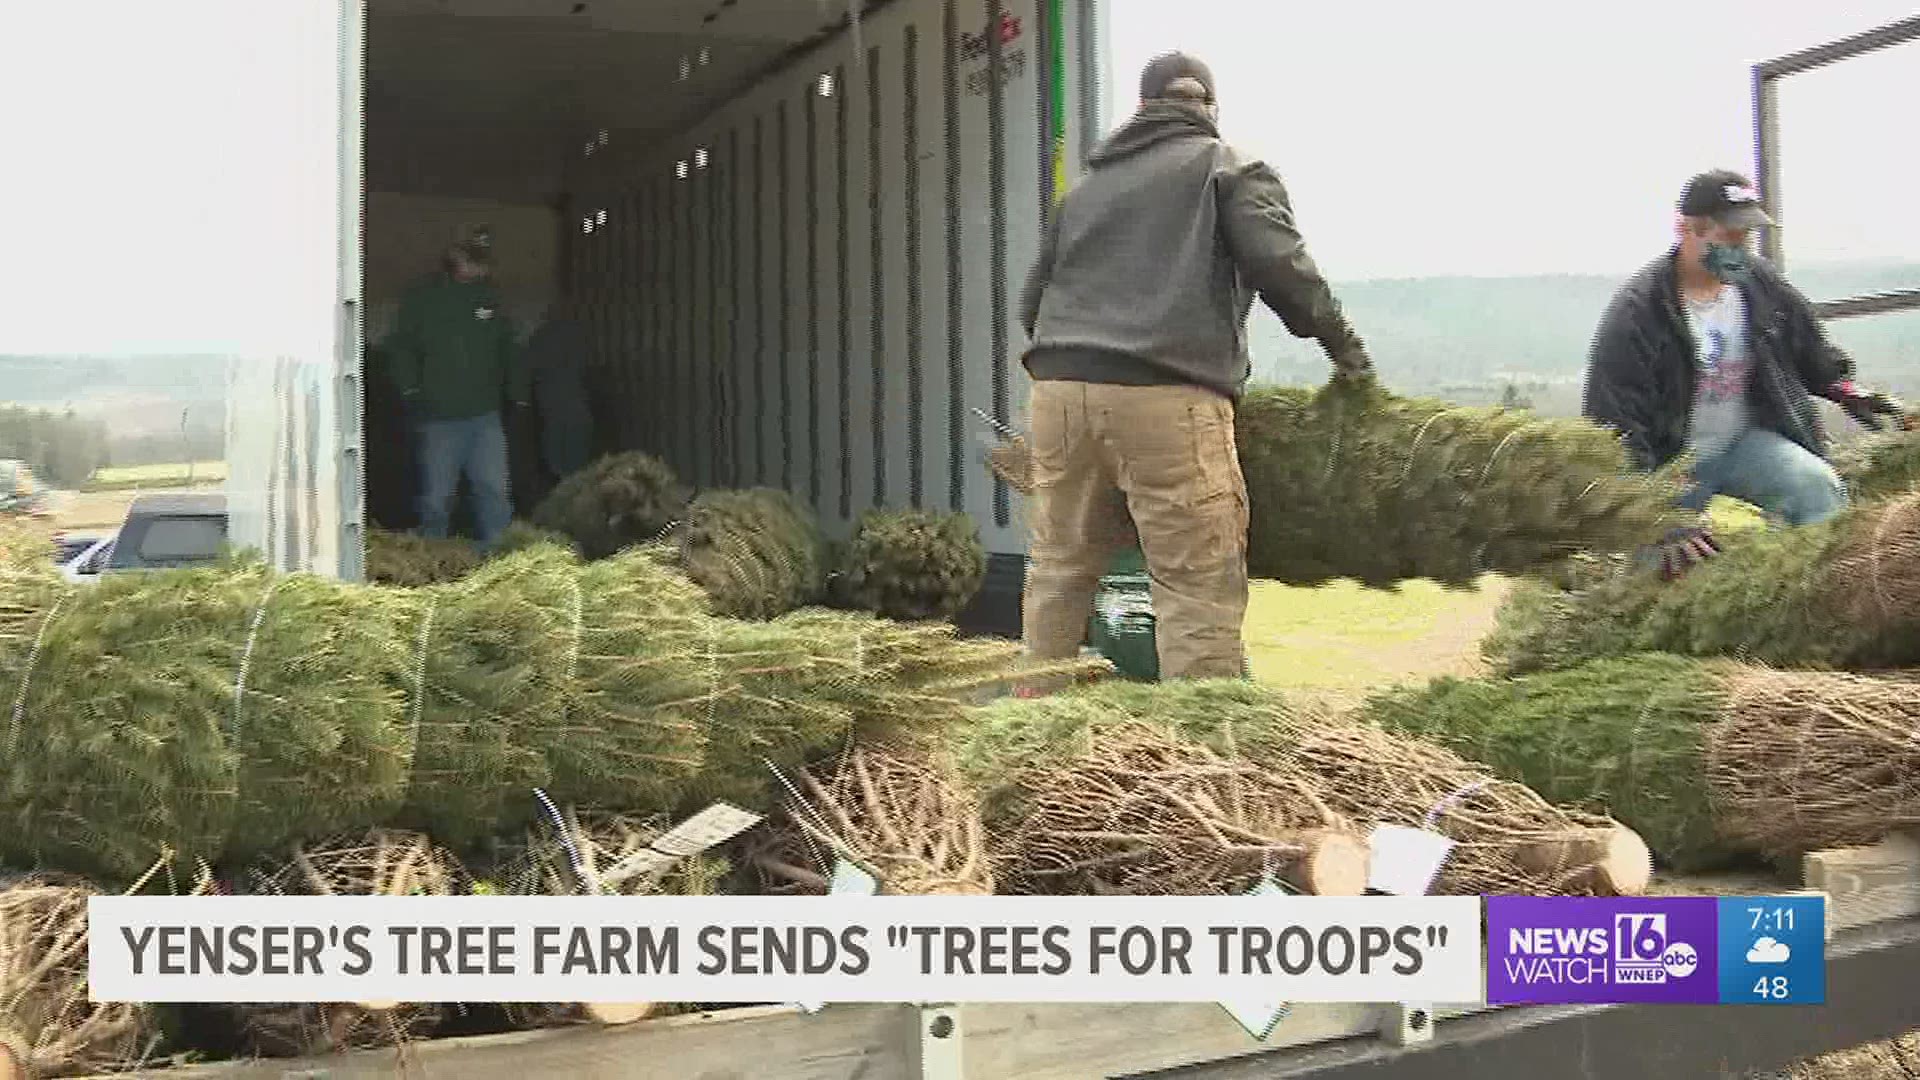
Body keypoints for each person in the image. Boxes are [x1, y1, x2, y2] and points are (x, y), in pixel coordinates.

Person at [1016, 51, 1372, 682]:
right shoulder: (1227, 168)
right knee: (1195, 587)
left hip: (1056, 394)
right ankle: (1200, 758)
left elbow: (1030, 303)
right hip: (1166, 397)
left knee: (1058, 570)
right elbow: (1284, 268)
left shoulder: (1085, 193)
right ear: (1207, 106)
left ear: (1144, 108)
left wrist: (1080, 365)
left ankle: (1030, 742)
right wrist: (1347, 353)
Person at [1583, 169, 1906, 528]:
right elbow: (1614, 422)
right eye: (1730, 235)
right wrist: (1652, 514)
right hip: (1670, 460)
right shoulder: (1639, 311)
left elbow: (1808, 348)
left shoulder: (1760, 284)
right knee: (1670, 560)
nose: (1740, 246)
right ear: (1687, 228)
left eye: (1746, 235)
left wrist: (1845, 390)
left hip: (1743, 442)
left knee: (1818, 490)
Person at [384, 226, 530, 550]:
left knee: (493, 489)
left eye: (484, 262)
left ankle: (500, 557)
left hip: (485, 415)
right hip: (439, 416)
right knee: (436, 496)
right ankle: (431, 558)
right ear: (456, 257)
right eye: (475, 260)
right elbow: (401, 347)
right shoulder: (423, 299)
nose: (482, 268)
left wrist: (518, 395)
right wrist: (410, 390)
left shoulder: (491, 298)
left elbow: (511, 348)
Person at [523, 297, 596, 496]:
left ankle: (563, 493)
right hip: (579, 407)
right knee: (578, 459)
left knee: (557, 459)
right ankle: (578, 496)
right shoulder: (579, 336)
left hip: (552, 407)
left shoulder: (540, 338)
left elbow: (527, 370)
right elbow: (589, 367)